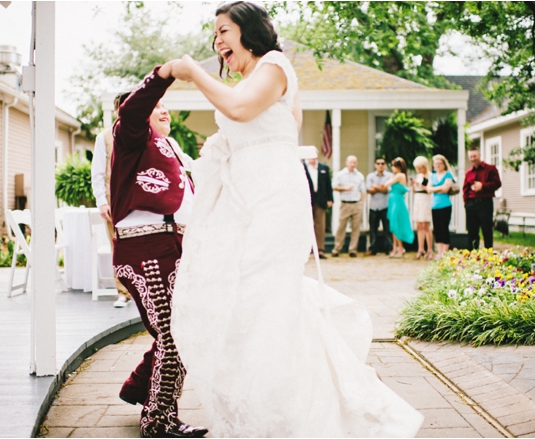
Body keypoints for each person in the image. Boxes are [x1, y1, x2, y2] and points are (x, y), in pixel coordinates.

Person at [168, 2, 423, 437]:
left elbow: (243, 111)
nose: (217, 41)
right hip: (241, 201)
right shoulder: (248, 79)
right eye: (214, 35)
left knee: (266, 300)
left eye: (224, 31)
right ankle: (267, 408)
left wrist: (193, 71)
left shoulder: (274, 65)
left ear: (249, 30)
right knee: (248, 305)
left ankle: (289, 416)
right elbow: (243, 123)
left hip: (272, 201)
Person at [109, 64, 207, 438]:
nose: (164, 109)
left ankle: (139, 387)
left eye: (166, 104)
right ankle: (158, 419)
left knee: (183, 326)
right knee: (175, 334)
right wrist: (163, 74)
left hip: (174, 246)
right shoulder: (131, 137)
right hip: (145, 247)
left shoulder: (171, 148)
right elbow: (133, 111)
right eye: (156, 105)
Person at [91, 93, 133, 308]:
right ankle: (123, 292)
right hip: (115, 201)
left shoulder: (145, 132)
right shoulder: (105, 137)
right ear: (117, 110)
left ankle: (143, 290)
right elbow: (98, 171)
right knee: (118, 246)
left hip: (141, 201)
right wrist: (102, 201)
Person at [463, 146, 501, 250]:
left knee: (487, 230)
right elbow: (465, 189)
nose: (473, 159)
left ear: (479, 155)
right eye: (470, 157)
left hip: (485, 203)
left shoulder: (490, 168)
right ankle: (473, 254)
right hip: (471, 204)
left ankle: (488, 254)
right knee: (472, 231)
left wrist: (482, 186)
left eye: (474, 156)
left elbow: (497, 183)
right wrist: (466, 203)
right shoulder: (468, 172)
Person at [331, 155, 366, 257]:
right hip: (345, 203)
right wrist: (345, 187)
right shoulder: (340, 174)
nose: (353, 164)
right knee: (341, 227)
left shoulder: (359, 175)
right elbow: (334, 187)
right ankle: (337, 248)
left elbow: (363, 190)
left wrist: (361, 202)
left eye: (354, 162)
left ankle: (353, 249)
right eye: (351, 162)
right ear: (346, 163)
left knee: (356, 228)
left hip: (356, 203)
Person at [384, 157, 414, 258]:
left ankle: (400, 249)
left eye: (394, 166)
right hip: (393, 201)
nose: (393, 168)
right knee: (393, 224)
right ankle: (395, 248)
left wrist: (391, 178)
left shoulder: (400, 175)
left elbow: (386, 183)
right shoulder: (395, 175)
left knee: (397, 224)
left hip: (398, 202)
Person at [303, 157, 333, 259]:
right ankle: (306, 249)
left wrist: (330, 198)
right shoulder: (302, 167)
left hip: (320, 198)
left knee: (320, 224)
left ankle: (320, 249)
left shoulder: (323, 167)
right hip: (306, 199)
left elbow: (328, 184)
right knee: (306, 224)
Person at [426, 154, 454, 259]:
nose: (437, 165)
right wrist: (439, 188)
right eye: (436, 163)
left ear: (444, 164)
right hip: (434, 205)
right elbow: (428, 189)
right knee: (437, 229)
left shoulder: (448, 174)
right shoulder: (432, 176)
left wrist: (434, 188)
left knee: (444, 228)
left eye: (440, 163)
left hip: (445, 205)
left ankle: (445, 252)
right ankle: (439, 251)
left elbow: (446, 189)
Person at [365, 157, 393, 255]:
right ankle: (373, 248)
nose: (380, 165)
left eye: (382, 163)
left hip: (386, 205)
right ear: (375, 165)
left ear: (385, 165)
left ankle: (388, 248)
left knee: (387, 228)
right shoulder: (370, 176)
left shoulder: (390, 176)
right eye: (378, 163)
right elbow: (369, 190)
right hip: (374, 206)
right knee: (373, 228)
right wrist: (381, 187)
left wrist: (375, 186)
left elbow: (387, 189)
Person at [411, 156, 433, 260]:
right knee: (419, 225)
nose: (419, 170)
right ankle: (420, 249)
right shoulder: (418, 176)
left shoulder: (431, 176)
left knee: (425, 225)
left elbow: (428, 189)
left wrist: (420, 184)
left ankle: (430, 249)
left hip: (425, 199)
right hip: (418, 199)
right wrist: (413, 185)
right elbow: (415, 190)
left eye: (420, 168)